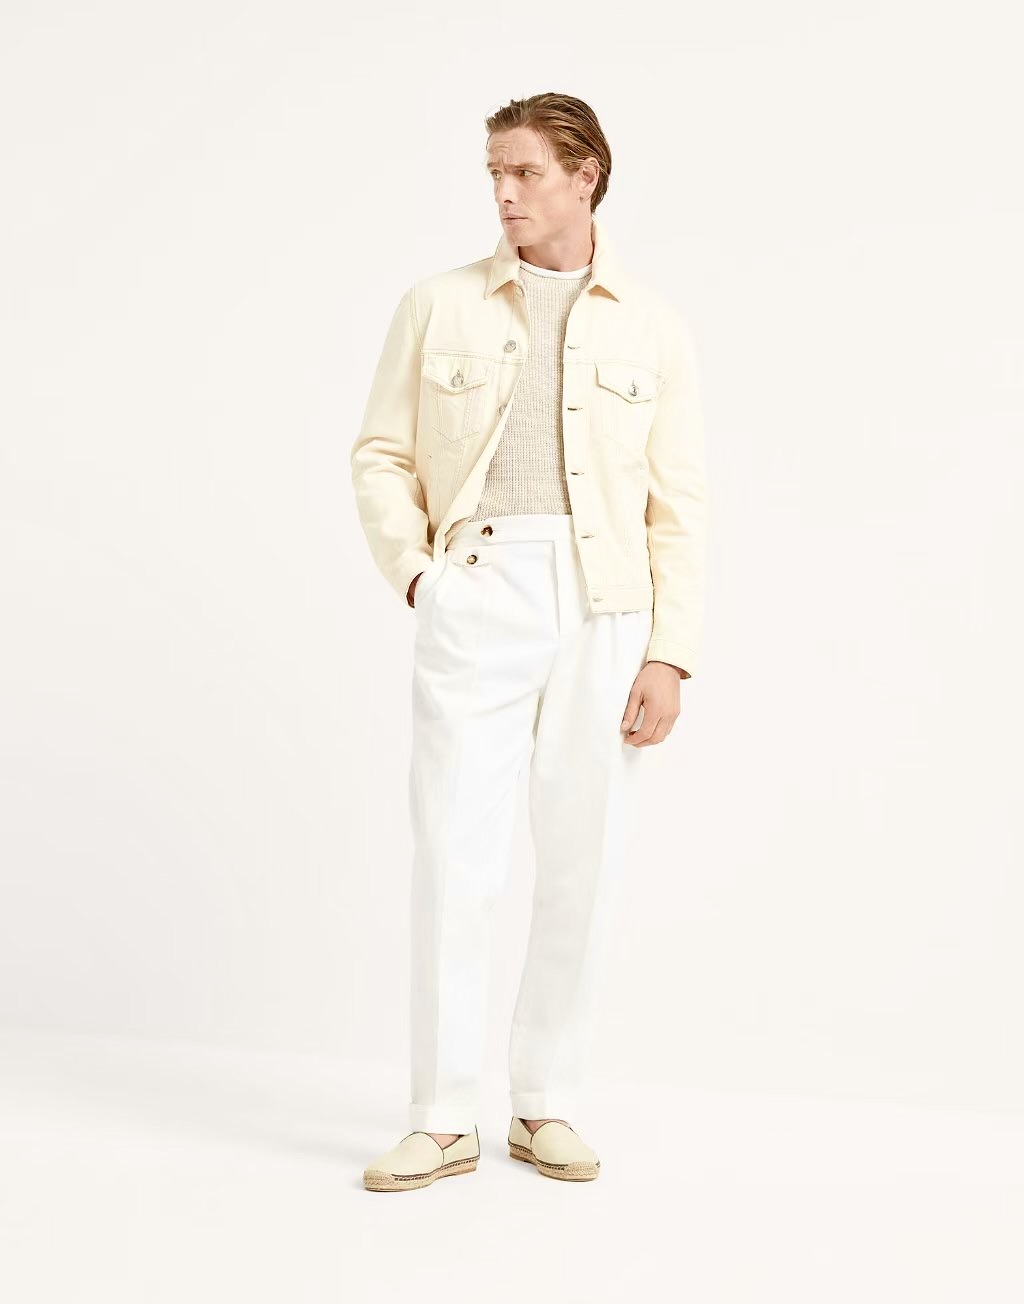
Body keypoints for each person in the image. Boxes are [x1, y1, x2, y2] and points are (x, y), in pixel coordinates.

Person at [351, 92, 708, 1192]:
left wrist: (669, 650)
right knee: (454, 854)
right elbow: (380, 452)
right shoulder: (438, 304)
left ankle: (545, 1101)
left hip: (609, 604)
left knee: (583, 860)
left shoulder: (652, 324)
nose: (503, 193)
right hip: (480, 586)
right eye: (493, 174)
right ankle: (443, 1115)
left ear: (584, 174)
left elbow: (679, 504)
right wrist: (422, 577)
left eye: (525, 172)